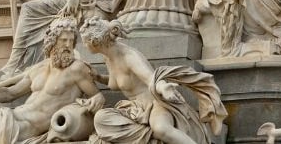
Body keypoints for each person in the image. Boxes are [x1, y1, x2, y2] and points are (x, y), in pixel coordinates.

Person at [0, 18, 102, 144]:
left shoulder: (77, 69)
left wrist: (96, 100)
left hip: (23, 128)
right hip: (10, 115)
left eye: (71, 41)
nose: (68, 45)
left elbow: (97, 97)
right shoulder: (38, 68)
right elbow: (9, 94)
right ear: (52, 41)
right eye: (64, 40)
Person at [81, 18, 227, 144]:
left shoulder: (129, 57)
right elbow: (118, 82)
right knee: (100, 118)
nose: (84, 46)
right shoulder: (108, 57)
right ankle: (147, 135)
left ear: (94, 42)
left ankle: (151, 134)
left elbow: (150, 77)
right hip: (134, 110)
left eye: (85, 42)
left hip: (155, 104)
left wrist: (163, 87)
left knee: (161, 129)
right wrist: (98, 77)